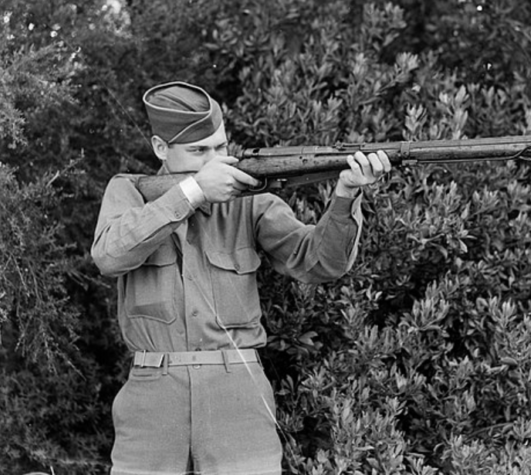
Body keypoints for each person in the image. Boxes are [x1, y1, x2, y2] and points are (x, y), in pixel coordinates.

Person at [91, 81, 391, 475]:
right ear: (161, 148)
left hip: (237, 395)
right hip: (153, 399)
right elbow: (110, 255)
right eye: (199, 152)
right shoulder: (129, 192)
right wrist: (193, 191)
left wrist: (346, 195)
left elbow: (320, 263)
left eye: (220, 147)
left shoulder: (250, 201)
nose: (216, 161)